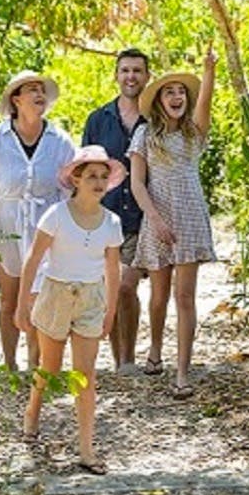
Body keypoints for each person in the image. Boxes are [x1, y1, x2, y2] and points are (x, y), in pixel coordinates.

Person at [15, 145, 125, 475]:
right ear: (76, 178)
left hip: (91, 298)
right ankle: (32, 411)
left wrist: (110, 311)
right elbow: (33, 260)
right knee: (49, 367)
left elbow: (114, 270)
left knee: (85, 376)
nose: (98, 182)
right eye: (91, 175)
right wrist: (22, 305)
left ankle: (87, 449)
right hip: (56, 293)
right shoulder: (57, 215)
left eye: (103, 176)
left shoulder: (112, 222)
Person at [0, 70, 76, 372]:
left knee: (39, 299)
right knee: (9, 300)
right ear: (16, 99)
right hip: (6, 229)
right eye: (31, 90)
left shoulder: (60, 140)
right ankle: (10, 364)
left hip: (46, 230)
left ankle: (35, 365)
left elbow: (71, 189)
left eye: (42, 90)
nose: (39, 95)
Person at [128, 45, 217, 399]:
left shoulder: (194, 133)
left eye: (181, 92)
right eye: (169, 92)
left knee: (185, 296)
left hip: (190, 218)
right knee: (159, 294)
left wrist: (209, 71)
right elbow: (137, 182)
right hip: (157, 217)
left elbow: (206, 103)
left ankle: (182, 372)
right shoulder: (145, 135)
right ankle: (154, 350)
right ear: (159, 100)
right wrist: (155, 218)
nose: (176, 97)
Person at [81, 48, 151, 375]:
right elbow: (84, 170)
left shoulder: (155, 119)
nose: (131, 76)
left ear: (147, 77)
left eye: (137, 71)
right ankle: (118, 360)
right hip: (104, 219)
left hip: (143, 219)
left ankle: (129, 359)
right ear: (116, 75)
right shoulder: (98, 119)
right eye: (125, 70)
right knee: (110, 291)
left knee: (125, 286)